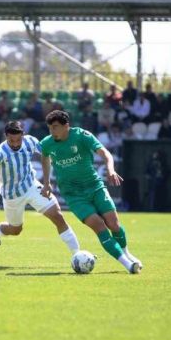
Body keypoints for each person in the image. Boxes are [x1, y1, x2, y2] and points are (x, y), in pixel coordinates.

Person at [40, 110, 142, 274]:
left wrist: (110, 170)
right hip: (73, 195)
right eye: (50, 128)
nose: (52, 132)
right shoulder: (47, 143)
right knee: (100, 226)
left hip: (95, 187)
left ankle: (127, 253)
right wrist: (46, 183)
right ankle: (127, 265)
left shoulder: (82, 136)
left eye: (55, 127)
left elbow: (105, 153)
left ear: (67, 126)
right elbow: (44, 158)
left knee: (113, 224)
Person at [0, 121, 80, 257]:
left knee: (57, 216)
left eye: (18, 140)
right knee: (15, 230)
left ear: (23, 135)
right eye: (11, 140)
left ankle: (77, 254)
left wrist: (48, 181)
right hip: (12, 195)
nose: (15, 144)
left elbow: (47, 154)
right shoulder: (0, 152)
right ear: (6, 136)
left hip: (31, 186)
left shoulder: (30, 141)